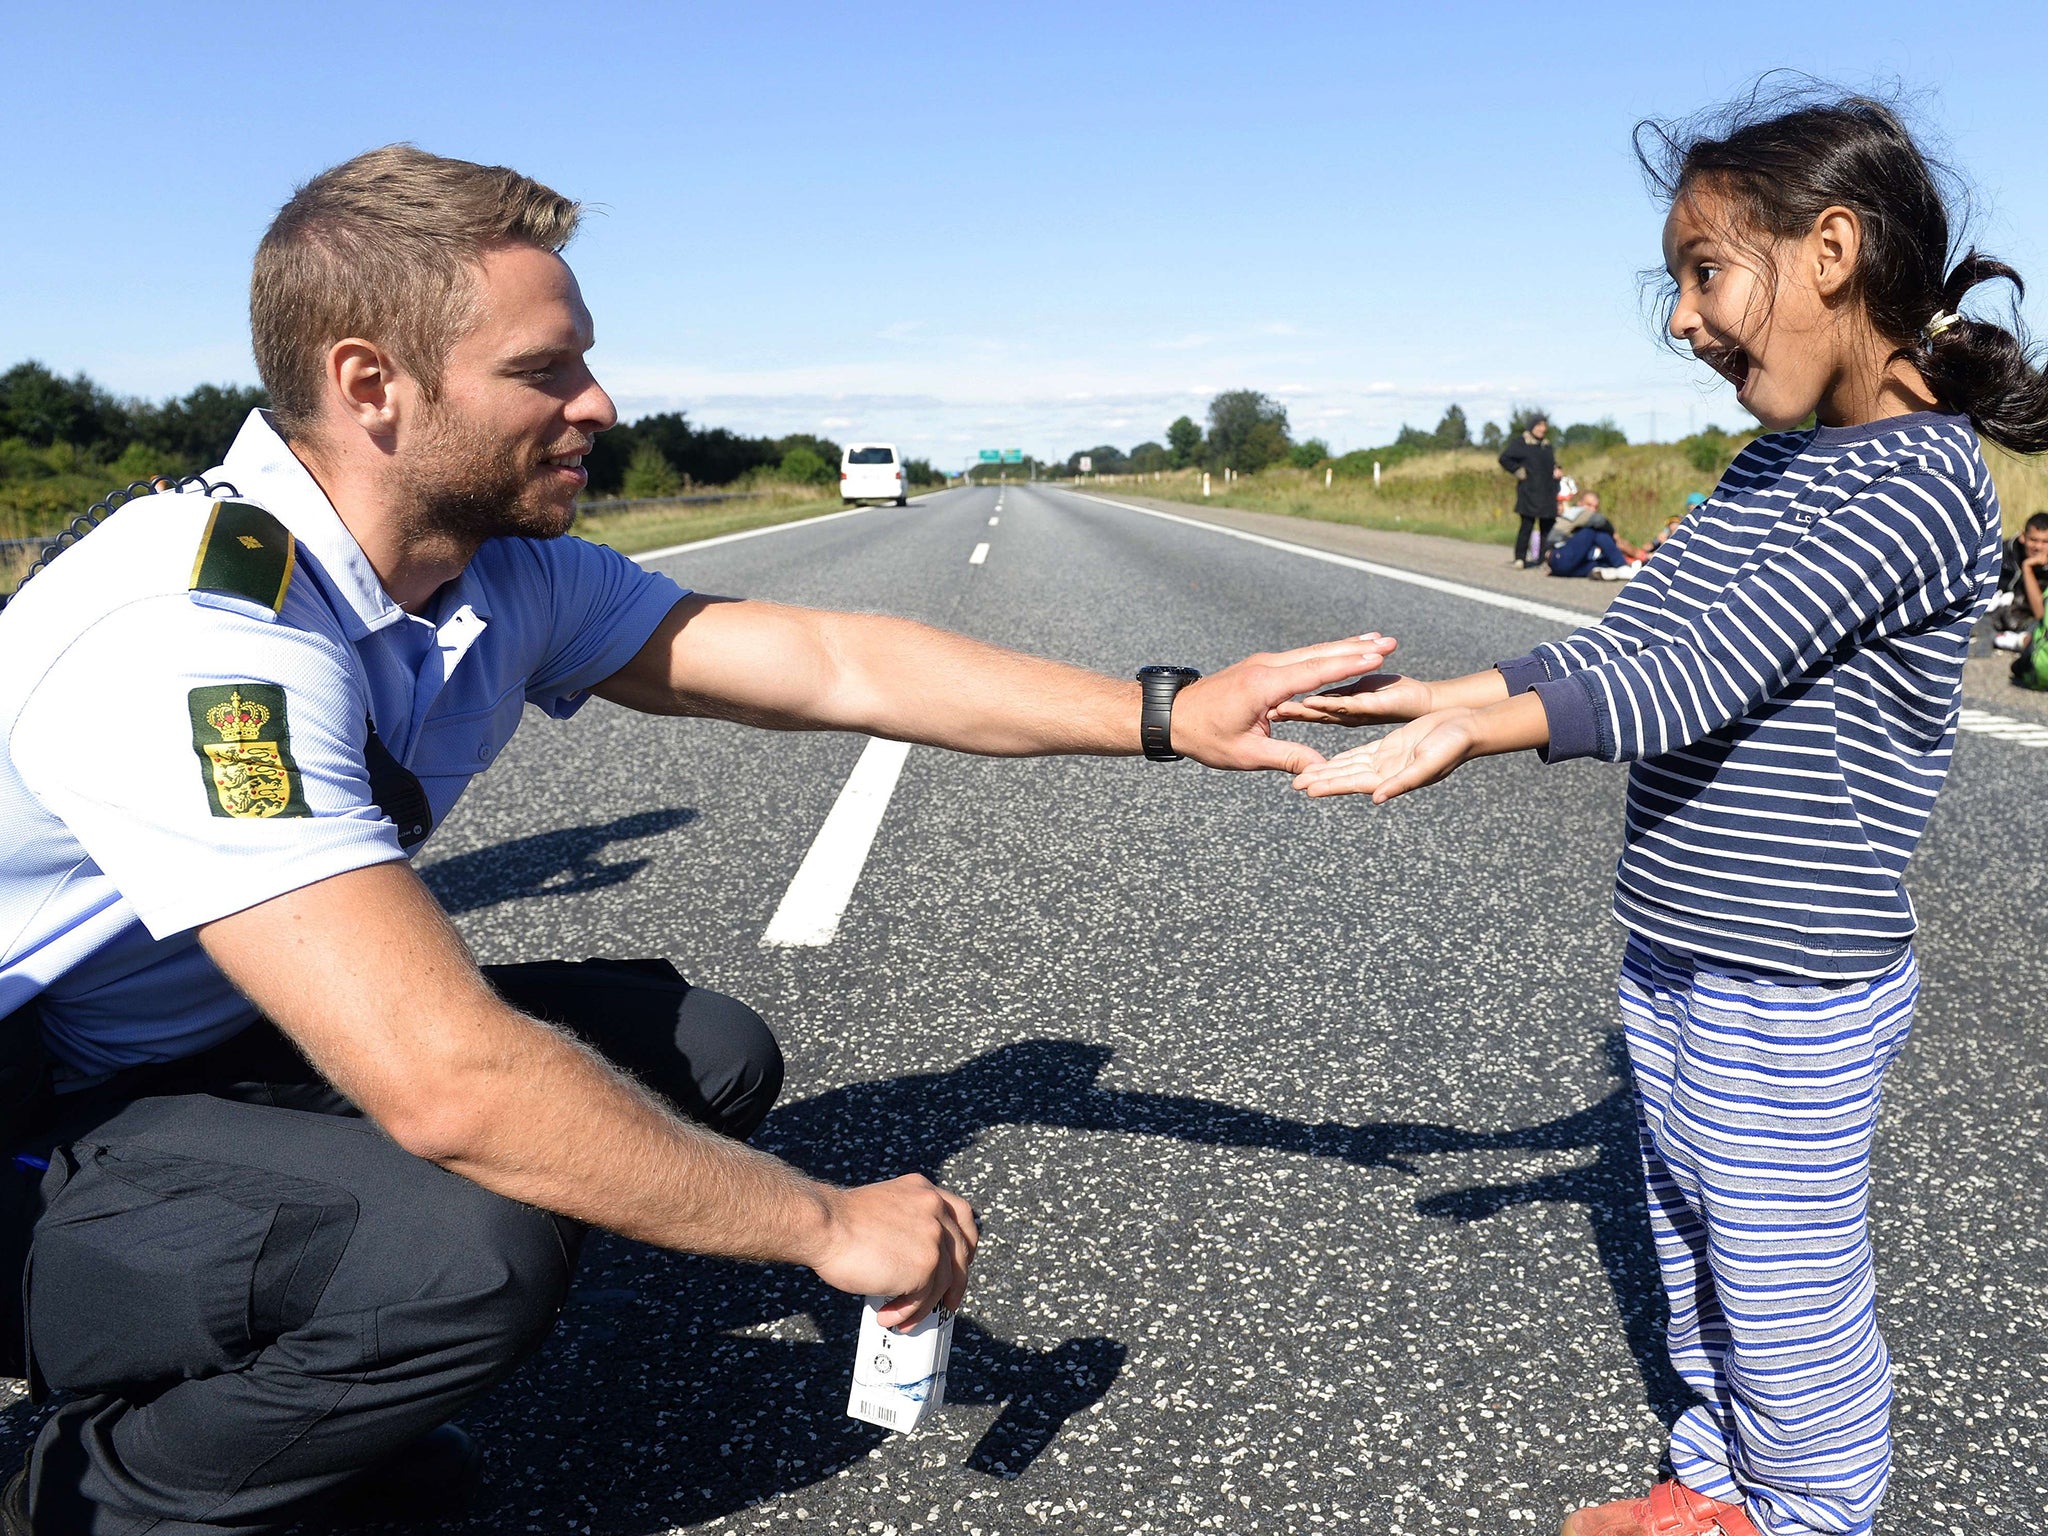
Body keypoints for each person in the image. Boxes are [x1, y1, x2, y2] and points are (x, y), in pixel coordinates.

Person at [0, 146, 1392, 1534]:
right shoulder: (200, 639)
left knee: (701, 1056)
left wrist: (1168, 712)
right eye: (545, 371)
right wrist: (825, 1226)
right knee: (457, 1255)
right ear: (373, 385)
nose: (598, 403)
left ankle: (305, 1368)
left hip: (197, 1048)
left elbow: (829, 663)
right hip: (33, 1111)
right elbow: (447, 1083)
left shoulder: (493, 573)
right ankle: (101, 1495)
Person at [1277, 92, 2042, 1536]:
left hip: (1793, 979)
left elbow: (1701, 671)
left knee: (1784, 1291)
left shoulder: (1923, 483)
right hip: (1681, 948)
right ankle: (1718, 1491)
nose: (1685, 322)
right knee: (1692, 1253)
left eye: (1704, 272)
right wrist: (1460, 682)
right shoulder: (1772, 469)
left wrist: (1479, 729)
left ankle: (1813, 1513)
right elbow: (1631, 639)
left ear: (1829, 251)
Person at [1499, 413, 1562, 567]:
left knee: (1547, 527)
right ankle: (1520, 557)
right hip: (1530, 491)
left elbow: (1550, 463)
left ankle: (1543, 559)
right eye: (1539, 425)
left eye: (1544, 426)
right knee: (1526, 525)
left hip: (1547, 491)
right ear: (1532, 426)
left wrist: (1557, 470)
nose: (1542, 429)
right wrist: (1519, 471)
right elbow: (1504, 458)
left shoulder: (1546, 445)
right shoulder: (1522, 443)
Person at [1983, 509, 2048, 651]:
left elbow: (2041, 615)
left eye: (2045, 542)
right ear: (2023, 537)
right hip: (1994, 614)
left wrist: (2028, 568)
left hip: (2031, 621)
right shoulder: (2003, 553)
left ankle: (2012, 641)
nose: (2038, 547)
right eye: (2033, 540)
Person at [1546, 492, 1650, 579]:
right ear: (1580, 503)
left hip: (1564, 566)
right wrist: (1613, 534)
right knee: (1595, 530)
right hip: (1559, 555)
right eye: (1589, 505)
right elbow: (1601, 521)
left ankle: (1614, 570)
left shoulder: (1580, 522)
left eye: (1595, 507)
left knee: (1599, 563)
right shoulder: (1577, 512)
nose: (1592, 509)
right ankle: (1622, 566)